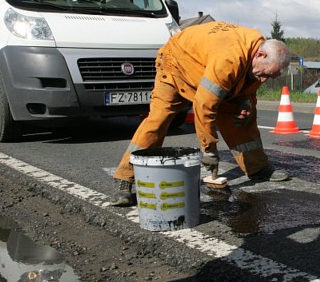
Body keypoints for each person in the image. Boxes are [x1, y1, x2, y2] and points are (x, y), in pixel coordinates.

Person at [111, 21, 291, 207]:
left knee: (242, 118)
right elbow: (204, 106)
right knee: (159, 119)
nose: (263, 79)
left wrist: (246, 102)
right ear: (260, 54)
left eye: (269, 77)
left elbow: (248, 85)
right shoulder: (229, 59)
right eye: (265, 74)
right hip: (175, 64)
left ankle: (257, 167)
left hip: (206, 67)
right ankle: (125, 178)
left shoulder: (258, 56)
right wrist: (209, 150)